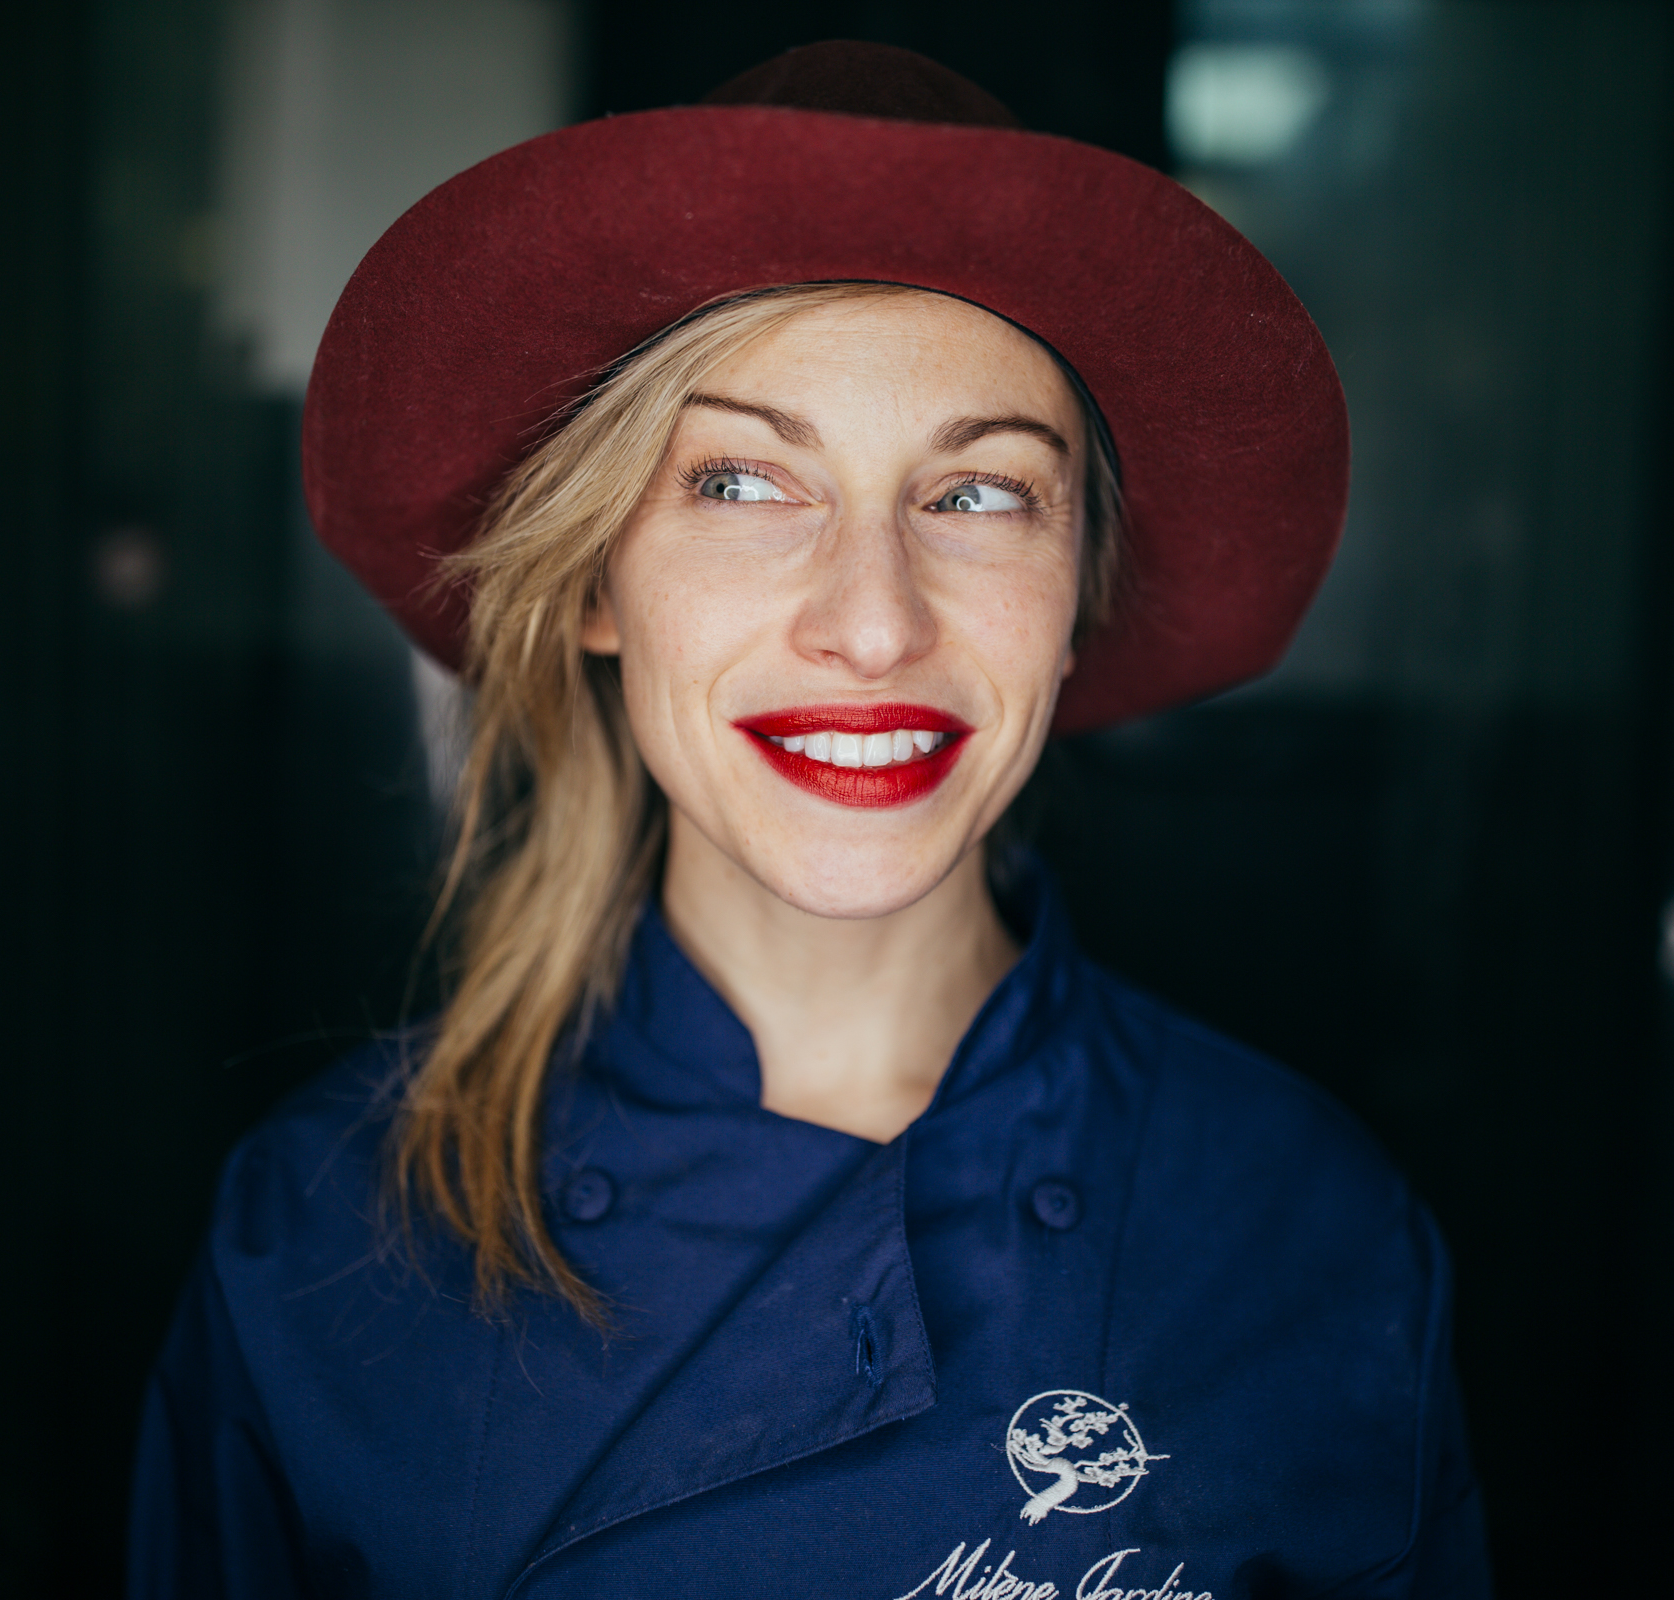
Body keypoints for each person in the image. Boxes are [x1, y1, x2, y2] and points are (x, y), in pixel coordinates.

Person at [129, 41, 1490, 1600]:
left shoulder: (1309, 1231)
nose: (874, 623)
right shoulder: (320, 1232)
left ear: (1076, 603)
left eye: (979, 495)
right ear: (595, 583)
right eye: (744, 484)